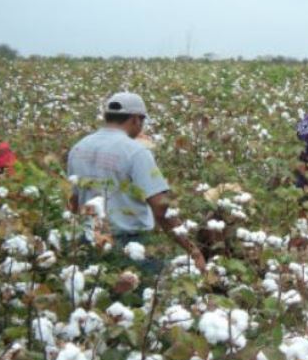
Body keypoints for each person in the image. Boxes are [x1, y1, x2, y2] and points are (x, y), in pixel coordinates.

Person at [67, 92, 206, 275]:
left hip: (88, 243)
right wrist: (193, 250)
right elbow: (161, 209)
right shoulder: (135, 152)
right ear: (135, 119)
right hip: (129, 245)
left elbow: (73, 203)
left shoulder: (78, 148)